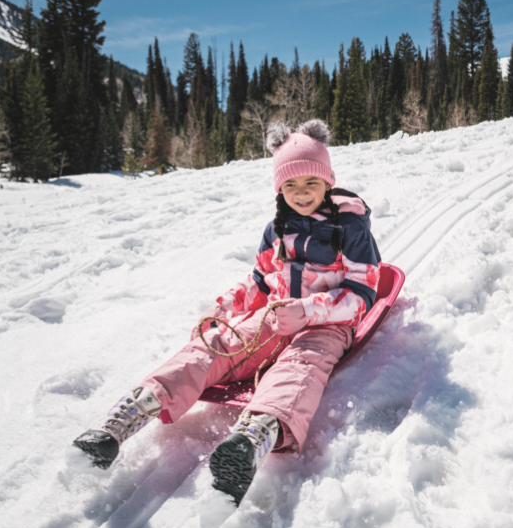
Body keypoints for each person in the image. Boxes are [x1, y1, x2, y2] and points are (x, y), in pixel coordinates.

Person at [73, 119, 381, 505]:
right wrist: (226, 305)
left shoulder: (348, 227)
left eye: (310, 184)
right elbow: (262, 280)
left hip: (327, 325)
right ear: (278, 188)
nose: (300, 194)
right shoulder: (276, 228)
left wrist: (308, 311)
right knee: (218, 345)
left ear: (328, 182)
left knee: (299, 367)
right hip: (276, 314)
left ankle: (250, 441)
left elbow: (364, 292)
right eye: (290, 185)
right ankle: (123, 419)